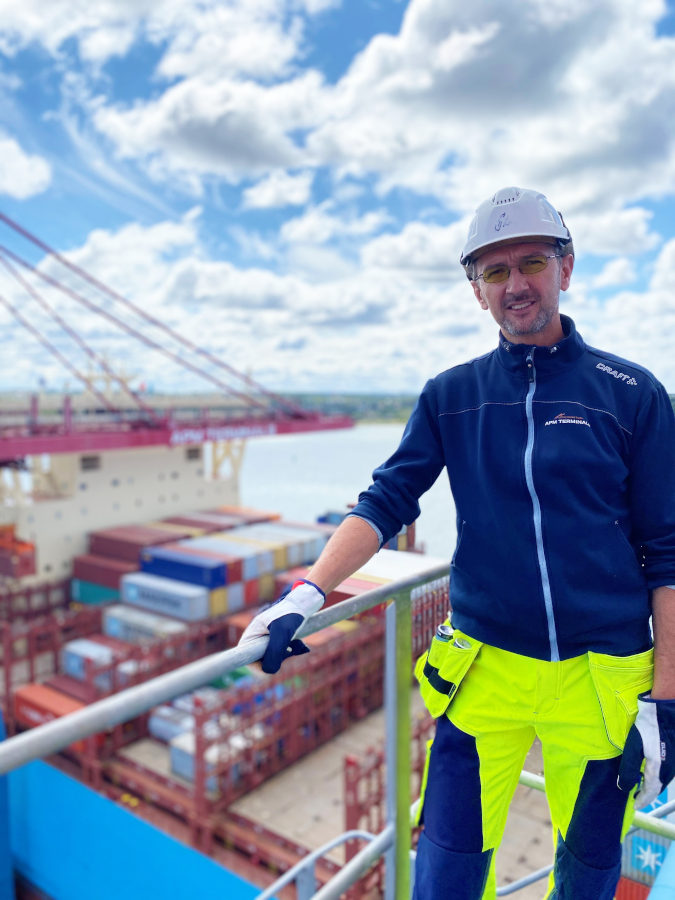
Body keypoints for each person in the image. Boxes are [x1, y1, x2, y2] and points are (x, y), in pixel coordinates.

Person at [239, 186, 675, 899]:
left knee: (589, 874)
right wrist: (307, 591)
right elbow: (385, 500)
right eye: (493, 272)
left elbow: (667, 550)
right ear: (475, 291)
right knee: (444, 869)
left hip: (602, 681)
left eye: (530, 262)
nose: (515, 284)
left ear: (566, 268)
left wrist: (665, 700)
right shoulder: (450, 396)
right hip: (483, 673)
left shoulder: (631, 393)